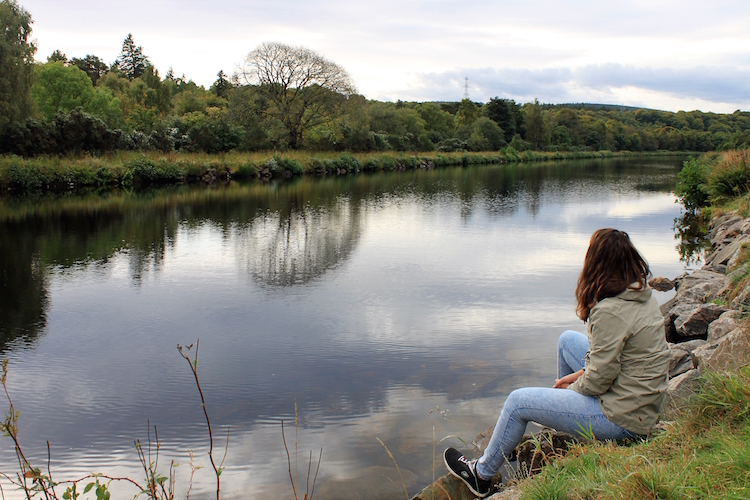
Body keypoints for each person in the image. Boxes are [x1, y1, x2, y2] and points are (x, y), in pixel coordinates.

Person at [443, 228, 670, 497]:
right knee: (566, 341)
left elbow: (598, 381)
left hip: (623, 419)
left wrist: (570, 389)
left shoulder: (610, 311)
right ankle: (562, 427)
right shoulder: (638, 294)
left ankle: (481, 474)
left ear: (597, 263)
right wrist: (576, 378)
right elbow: (614, 361)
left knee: (517, 402)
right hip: (639, 402)